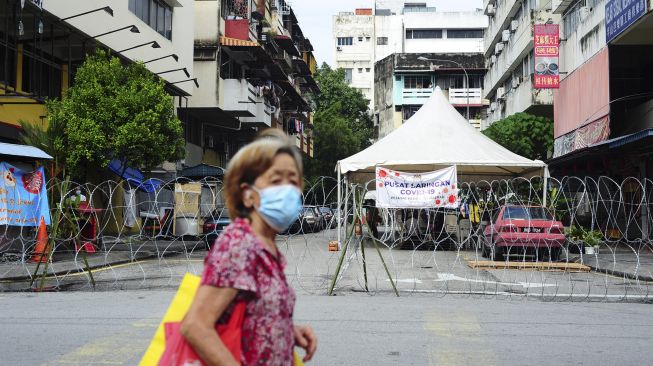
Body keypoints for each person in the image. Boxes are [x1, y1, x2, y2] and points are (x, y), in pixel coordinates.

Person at [181, 129, 317, 365]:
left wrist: (286, 330)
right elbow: (195, 326)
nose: (288, 189)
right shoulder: (239, 243)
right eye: (276, 180)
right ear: (248, 195)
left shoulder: (267, 247)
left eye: (294, 181)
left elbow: (253, 313)